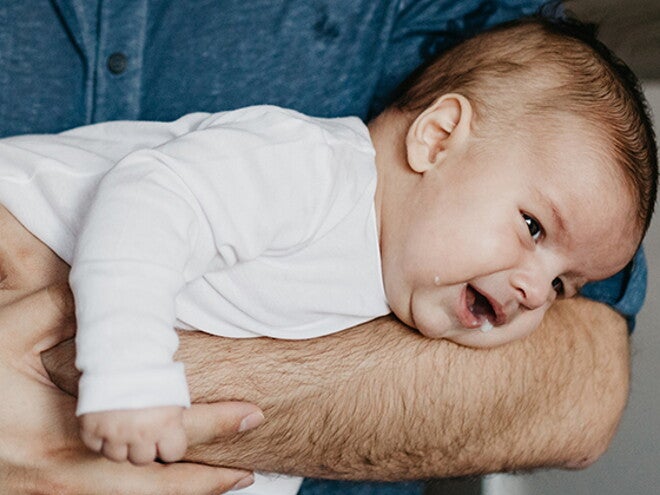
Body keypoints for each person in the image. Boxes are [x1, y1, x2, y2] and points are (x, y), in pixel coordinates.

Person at [0, 2, 651, 495]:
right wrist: (129, 371)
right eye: (534, 228)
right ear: (438, 136)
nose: (537, 291)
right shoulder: (316, 172)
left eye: (565, 284)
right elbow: (149, 201)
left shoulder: (390, 285)